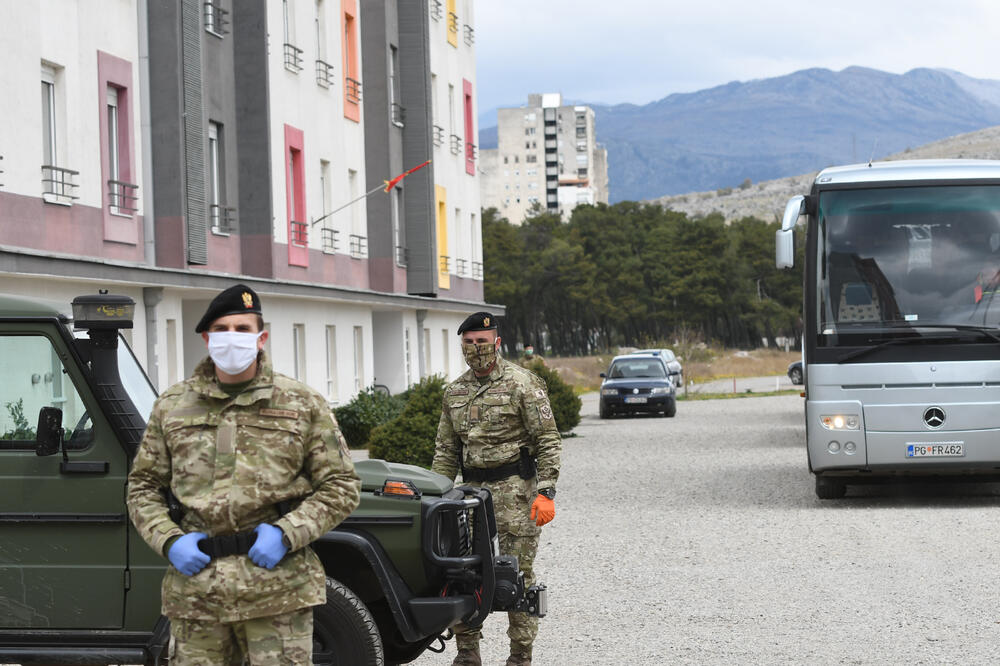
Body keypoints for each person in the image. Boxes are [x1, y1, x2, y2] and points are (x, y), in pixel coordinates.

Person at [127, 284, 361, 664]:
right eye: (221, 329)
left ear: (261, 338)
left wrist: (286, 533)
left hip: (278, 592)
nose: (231, 338)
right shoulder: (172, 406)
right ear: (207, 338)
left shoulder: (301, 403)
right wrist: (169, 540)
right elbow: (142, 486)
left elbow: (341, 485)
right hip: (198, 595)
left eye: (242, 329)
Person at [432, 312, 562, 666]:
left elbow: (548, 440)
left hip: (516, 494)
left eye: (482, 342)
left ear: (497, 343)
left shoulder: (523, 383)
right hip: (468, 496)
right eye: (469, 342)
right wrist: (436, 495)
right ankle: (467, 653)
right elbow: (446, 451)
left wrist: (546, 491)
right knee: (460, 574)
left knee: (516, 577)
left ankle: (520, 655)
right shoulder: (454, 392)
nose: (476, 349)